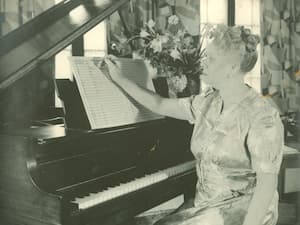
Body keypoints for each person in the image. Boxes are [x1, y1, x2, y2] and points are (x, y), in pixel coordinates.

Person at [104, 25, 284, 225]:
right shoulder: (206, 102)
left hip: (244, 212)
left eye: (212, 59)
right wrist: (119, 79)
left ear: (232, 68)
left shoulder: (262, 116)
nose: (203, 63)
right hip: (206, 207)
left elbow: (267, 187)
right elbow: (159, 104)